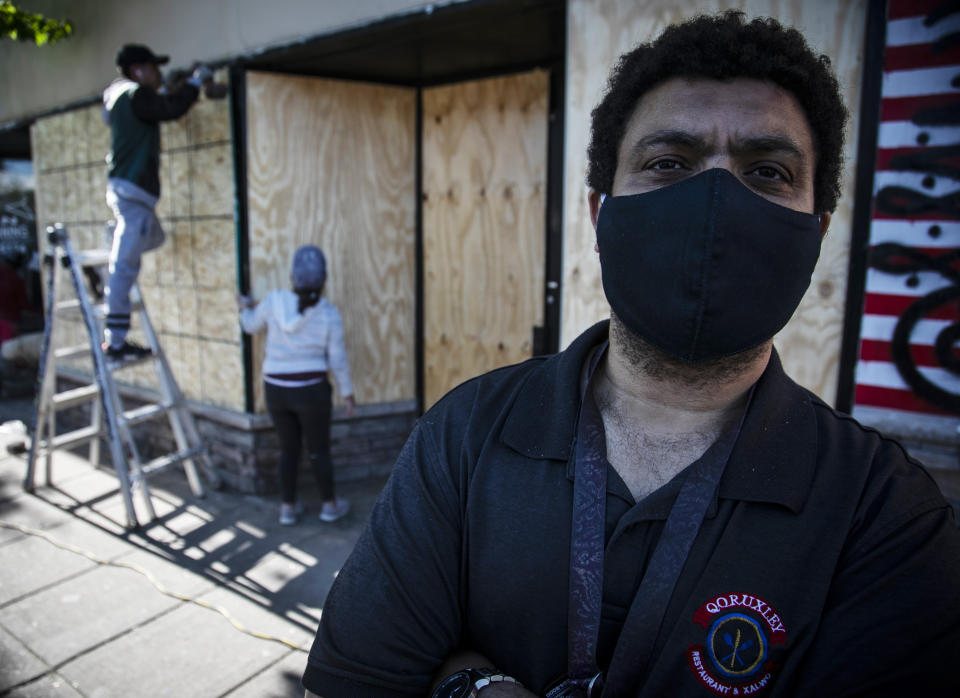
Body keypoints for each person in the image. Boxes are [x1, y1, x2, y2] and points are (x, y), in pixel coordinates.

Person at [302, 12, 960, 698]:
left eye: (766, 170)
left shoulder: (885, 516)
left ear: (815, 232)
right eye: (668, 162)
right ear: (599, 213)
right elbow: (357, 682)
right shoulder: (467, 431)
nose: (714, 201)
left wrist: (459, 676)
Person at [101, 43, 215, 361]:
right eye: (153, 68)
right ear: (138, 70)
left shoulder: (120, 96)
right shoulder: (136, 94)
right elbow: (168, 110)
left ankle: (118, 240)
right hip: (133, 190)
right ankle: (117, 343)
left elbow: (143, 109)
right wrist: (194, 83)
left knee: (155, 237)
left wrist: (167, 88)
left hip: (131, 190)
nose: (158, 73)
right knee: (124, 269)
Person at [238, 245, 356, 526]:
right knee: (318, 449)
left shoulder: (274, 301)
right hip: (312, 391)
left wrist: (244, 308)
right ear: (323, 279)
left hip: (275, 390)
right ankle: (330, 506)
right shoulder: (329, 313)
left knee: (288, 449)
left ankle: (287, 509)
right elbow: (337, 358)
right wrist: (347, 394)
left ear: (292, 276)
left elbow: (250, 325)